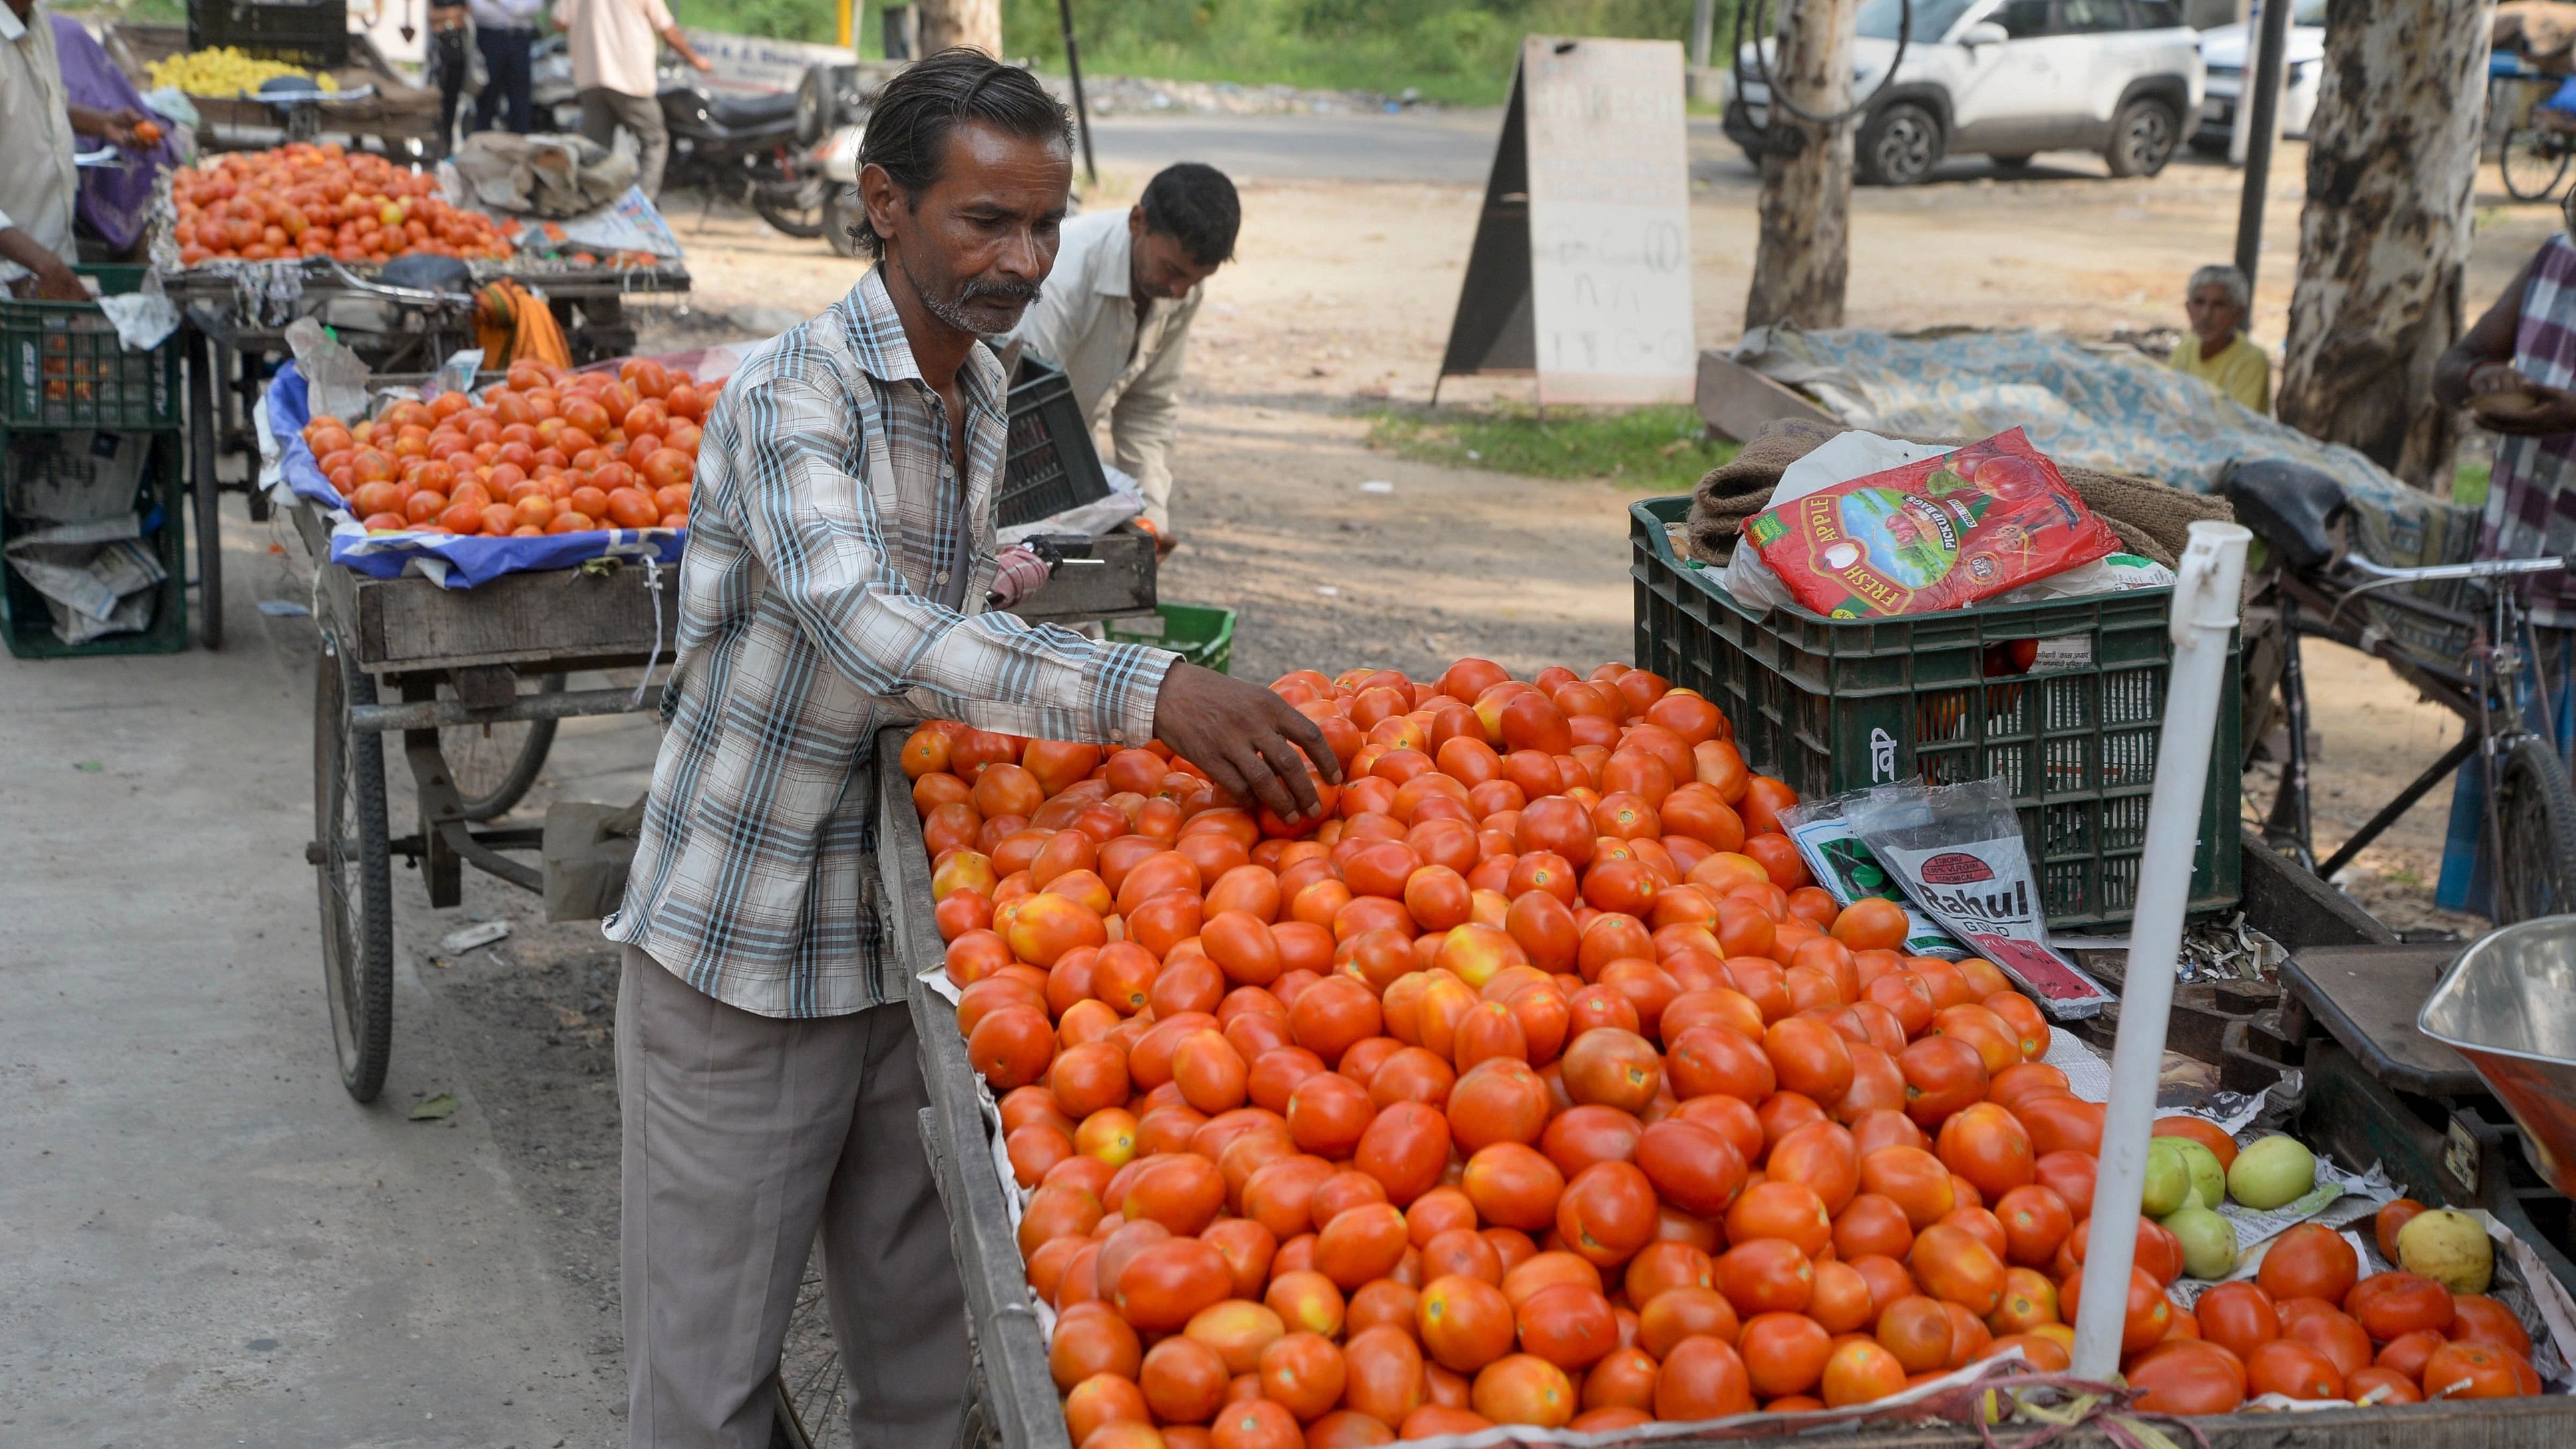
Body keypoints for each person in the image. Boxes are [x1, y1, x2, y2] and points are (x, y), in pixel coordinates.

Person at [602, 49, 1334, 1449]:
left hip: (906, 938)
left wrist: (997, 578)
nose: (1022, 256)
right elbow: (867, 627)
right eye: (983, 221)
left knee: (929, 1366)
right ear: (885, 203)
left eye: (1045, 224)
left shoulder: (984, 387)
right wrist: (1147, 689)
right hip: (746, 951)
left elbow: (924, 603)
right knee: (702, 1390)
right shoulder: (791, 394)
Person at [998, 161, 1240, 556]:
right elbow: (1016, 401)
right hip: (1009, 451)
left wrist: (1152, 523)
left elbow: (1147, 407)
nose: (1180, 293)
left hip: (1069, 455)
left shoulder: (1178, 290)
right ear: (1138, 222)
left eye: (1194, 281)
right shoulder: (1062, 274)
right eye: (1172, 271)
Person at [0, 0, 144, 300]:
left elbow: (42, 102)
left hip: (49, 267)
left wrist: (103, 124)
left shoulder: (35, 16)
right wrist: (43, 263)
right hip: (12, 279)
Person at [554, 0, 709, 201]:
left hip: (591, 77)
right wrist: (696, 60)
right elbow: (667, 30)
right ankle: (642, 204)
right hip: (629, 79)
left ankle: (592, 203)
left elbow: (559, 22)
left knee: (597, 150)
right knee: (655, 140)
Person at [2167, 263, 2271, 414]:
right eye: (2199, 302)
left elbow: (2238, 423)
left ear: (2239, 312)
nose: (2206, 314)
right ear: (2188, 308)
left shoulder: (2251, 360)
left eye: (2219, 305)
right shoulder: (2186, 347)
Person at [468, 0, 542, 135]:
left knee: (520, 101)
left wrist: (499, 3)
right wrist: (512, 6)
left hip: (520, 39)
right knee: (487, 97)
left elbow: (532, 7)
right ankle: (480, 147)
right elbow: (480, 11)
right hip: (490, 39)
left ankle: (519, 147)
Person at [426, 0, 470, 156]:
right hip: (436, 53)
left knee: (451, 103)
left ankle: (446, 146)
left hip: (456, 52)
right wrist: (451, 15)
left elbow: (465, 14)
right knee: (435, 102)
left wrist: (445, 18)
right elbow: (429, 16)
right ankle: (435, 146)